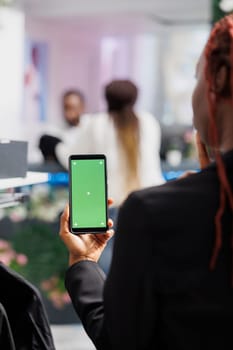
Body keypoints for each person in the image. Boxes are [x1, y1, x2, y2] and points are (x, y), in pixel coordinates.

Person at [60, 14, 233, 349]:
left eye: (197, 78)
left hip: (121, 209)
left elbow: (122, 337)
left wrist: (82, 265)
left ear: (221, 79)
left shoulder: (160, 214)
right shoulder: (148, 122)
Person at [56, 80, 164, 206]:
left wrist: (57, 146)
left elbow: (72, 159)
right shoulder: (149, 121)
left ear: (107, 98)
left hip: (112, 205)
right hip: (152, 201)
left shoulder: (97, 123)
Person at [39, 90, 85, 162]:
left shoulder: (89, 130)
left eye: (73, 107)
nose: (69, 112)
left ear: (82, 107)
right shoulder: (53, 131)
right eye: (66, 107)